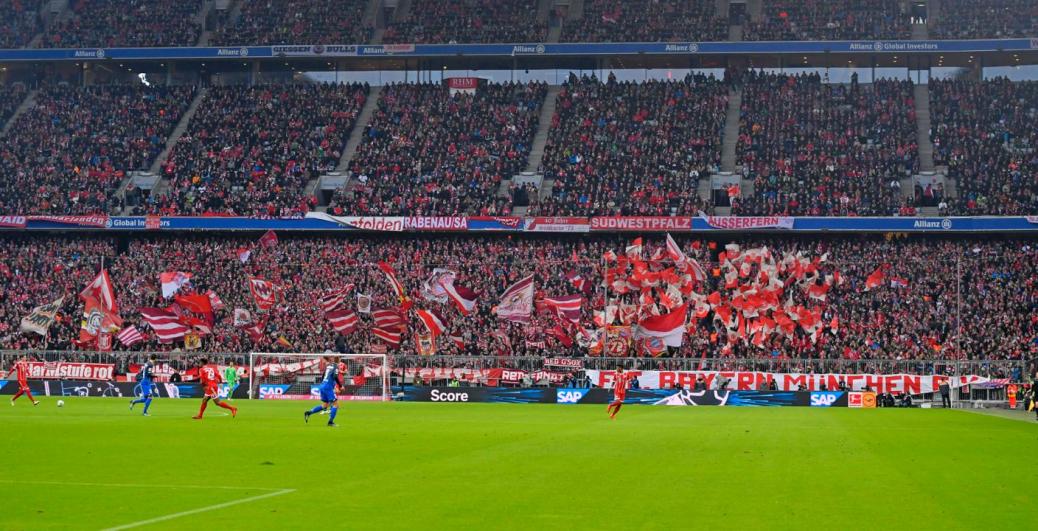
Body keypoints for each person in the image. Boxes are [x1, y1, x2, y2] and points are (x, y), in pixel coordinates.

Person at [304, 356, 341, 427]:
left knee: (325, 405)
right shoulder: (336, 366)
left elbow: (324, 375)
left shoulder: (329, 366)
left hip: (322, 385)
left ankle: (308, 413)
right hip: (327, 387)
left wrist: (325, 383)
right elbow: (335, 376)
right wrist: (340, 386)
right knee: (336, 404)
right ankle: (330, 422)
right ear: (339, 360)